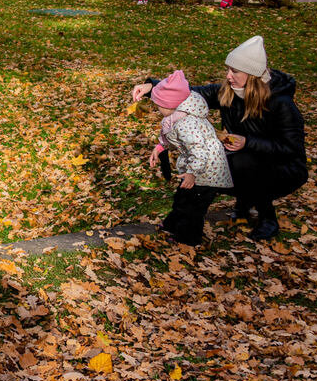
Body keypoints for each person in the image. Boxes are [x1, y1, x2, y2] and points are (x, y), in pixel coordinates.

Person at [131, 36, 307, 240]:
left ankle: (267, 217)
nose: (229, 76)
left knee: (240, 163)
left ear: (252, 74)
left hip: (284, 169)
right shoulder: (228, 91)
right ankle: (191, 220)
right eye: (228, 69)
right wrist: (151, 87)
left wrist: (247, 142)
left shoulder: (281, 103)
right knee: (215, 165)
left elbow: (291, 147)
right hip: (243, 158)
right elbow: (187, 93)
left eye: (235, 71)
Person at [146, 70, 234, 244]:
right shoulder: (176, 116)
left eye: (158, 105)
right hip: (196, 168)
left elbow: (200, 151)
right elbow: (169, 136)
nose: (157, 108)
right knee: (182, 197)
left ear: (170, 104)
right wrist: (159, 147)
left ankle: (189, 238)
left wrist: (192, 173)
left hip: (208, 171)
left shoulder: (187, 123)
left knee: (194, 206)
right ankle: (173, 224)